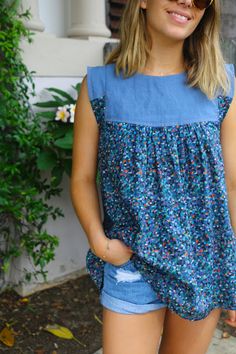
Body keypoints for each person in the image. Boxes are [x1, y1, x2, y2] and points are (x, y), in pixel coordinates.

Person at [70, 0, 236, 353]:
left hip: (202, 265)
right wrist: (100, 244)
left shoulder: (222, 87)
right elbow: (83, 177)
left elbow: (233, 184)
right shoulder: (99, 87)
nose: (188, 2)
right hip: (132, 263)